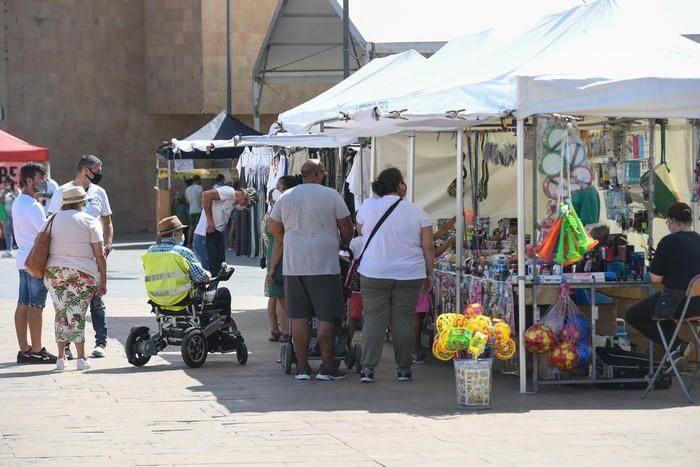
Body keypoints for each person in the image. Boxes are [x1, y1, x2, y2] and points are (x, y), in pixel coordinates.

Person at [269, 160, 353, 381]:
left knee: (298, 317)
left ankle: (303, 367)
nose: (324, 175)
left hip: (294, 264)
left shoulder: (286, 196)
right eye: (323, 172)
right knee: (326, 317)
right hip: (325, 264)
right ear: (317, 173)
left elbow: (273, 227)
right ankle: (327, 367)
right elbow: (345, 226)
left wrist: (289, 239)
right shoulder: (331, 195)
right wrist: (343, 242)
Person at [355, 168, 434, 383]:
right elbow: (428, 246)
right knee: (404, 319)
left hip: (374, 271)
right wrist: (429, 273)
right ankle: (404, 369)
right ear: (400, 185)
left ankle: (368, 369)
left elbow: (359, 229)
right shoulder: (417, 211)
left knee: (373, 318)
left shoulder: (368, 206)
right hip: (409, 273)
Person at [48, 154, 113, 359]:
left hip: (94, 253)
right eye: (97, 170)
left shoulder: (99, 192)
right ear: (86, 170)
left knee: (96, 300)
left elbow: (108, 221)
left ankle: (100, 342)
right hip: (68, 256)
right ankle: (66, 347)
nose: (100, 174)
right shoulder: (62, 191)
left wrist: (108, 244)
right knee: (66, 303)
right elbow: (51, 222)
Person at [626, 202, 700, 369]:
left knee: (634, 315)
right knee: (657, 312)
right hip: (697, 306)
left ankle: (676, 347)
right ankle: (677, 348)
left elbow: (655, 279)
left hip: (677, 303)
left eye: (668, 222)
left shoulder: (669, 241)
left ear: (672, 221)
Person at [143, 216, 233, 321]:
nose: (183, 235)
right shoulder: (182, 252)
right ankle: (224, 329)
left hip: (158, 300)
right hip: (182, 301)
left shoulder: (150, 252)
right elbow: (202, 278)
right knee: (224, 293)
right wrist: (208, 274)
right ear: (175, 234)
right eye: (181, 232)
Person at [12, 163, 56, 364]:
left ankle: (25, 350)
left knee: (23, 304)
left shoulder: (18, 201)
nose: (44, 181)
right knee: (36, 306)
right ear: (29, 180)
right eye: (41, 177)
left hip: (23, 259)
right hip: (36, 262)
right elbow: (46, 234)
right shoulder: (34, 206)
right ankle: (37, 350)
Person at [413, 215, 457, 364]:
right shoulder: (418, 239)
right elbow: (434, 253)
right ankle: (415, 349)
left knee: (414, 315)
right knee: (417, 316)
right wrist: (450, 241)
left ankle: (412, 349)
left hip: (413, 278)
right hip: (419, 278)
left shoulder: (415, 236)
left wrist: (455, 219)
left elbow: (441, 231)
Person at [262, 175, 299, 343]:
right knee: (282, 298)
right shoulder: (283, 210)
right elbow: (280, 241)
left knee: (274, 296)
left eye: (279, 187)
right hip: (280, 258)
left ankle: (275, 330)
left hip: (273, 256)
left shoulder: (271, 212)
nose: (276, 190)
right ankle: (285, 331)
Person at [193, 183, 256, 276]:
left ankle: (212, 290)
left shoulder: (233, 201)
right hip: (205, 235)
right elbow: (206, 195)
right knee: (210, 271)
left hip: (215, 234)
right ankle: (208, 290)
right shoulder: (230, 192)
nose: (244, 206)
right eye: (246, 204)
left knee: (218, 269)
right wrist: (210, 221)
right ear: (245, 198)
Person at [1, 176, 20, 258]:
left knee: (18, 231)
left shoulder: (17, 190)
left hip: (16, 214)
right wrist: (4, 193)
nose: (4, 184)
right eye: (4, 182)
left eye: (6, 182)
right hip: (6, 214)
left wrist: (13, 196)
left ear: (10, 182)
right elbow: (1, 201)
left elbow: (19, 201)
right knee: (7, 232)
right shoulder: (2, 191)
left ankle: (21, 249)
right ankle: (9, 250)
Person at [185, 175, 203, 247]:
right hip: (199, 210)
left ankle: (189, 243)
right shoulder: (200, 188)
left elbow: (187, 201)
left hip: (191, 210)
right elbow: (202, 198)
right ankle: (198, 243)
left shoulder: (187, 189)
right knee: (199, 227)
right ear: (198, 180)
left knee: (191, 227)